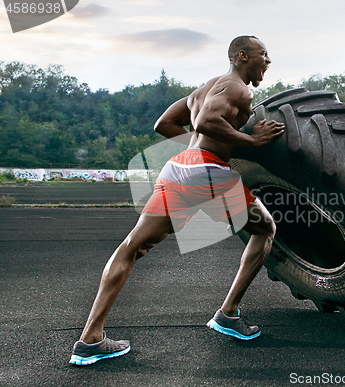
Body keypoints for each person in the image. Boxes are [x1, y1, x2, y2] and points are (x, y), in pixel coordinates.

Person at [70, 35, 285, 366]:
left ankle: (90, 339)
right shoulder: (239, 88)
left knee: (131, 247)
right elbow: (205, 122)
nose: (268, 62)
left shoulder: (204, 88)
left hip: (179, 167)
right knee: (266, 229)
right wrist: (250, 141)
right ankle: (228, 314)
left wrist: (196, 149)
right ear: (242, 56)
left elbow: (164, 124)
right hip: (208, 172)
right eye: (263, 55)